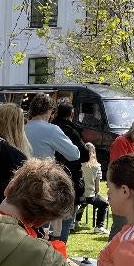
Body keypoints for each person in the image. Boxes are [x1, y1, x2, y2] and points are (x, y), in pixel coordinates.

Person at [51, 101, 88, 243]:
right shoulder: (71, 131)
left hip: (51, 178)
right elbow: (84, 155)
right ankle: (59, 250)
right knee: (65, 220)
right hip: (69, 178)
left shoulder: (52, 128)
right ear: (71, 114)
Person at [23, 94, 81, 165]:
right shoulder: (52, 129)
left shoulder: (22, 128)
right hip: (42, 173)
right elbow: (74, 154)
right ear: (50, 110)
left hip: (22, 173)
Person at [75, 143, 109, 233]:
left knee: (82, 202)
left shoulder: (78, 164)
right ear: (94, 152)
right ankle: (99, 226)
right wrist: (95, 192)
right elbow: (97, 187)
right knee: (104, 204)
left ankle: (76, 221)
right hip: (90, 195)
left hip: (78, 194)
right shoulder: (97, 166)